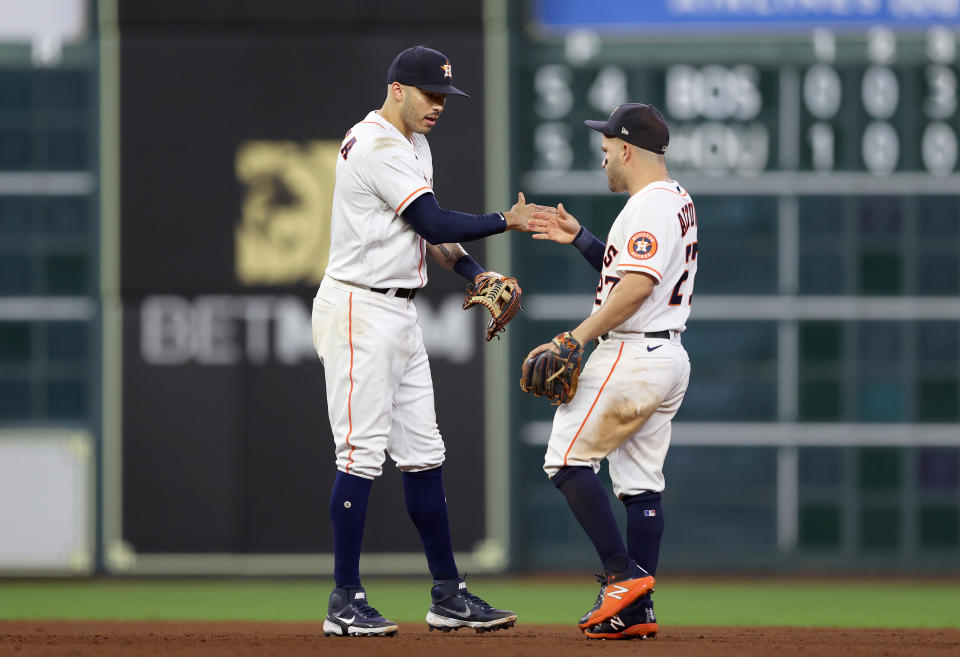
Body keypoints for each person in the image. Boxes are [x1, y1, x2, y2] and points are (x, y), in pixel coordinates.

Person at [313, 45, 535, 637]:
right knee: (359, 455)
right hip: (360, 306)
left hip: (398, 310)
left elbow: (426, 234)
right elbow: (435, 222)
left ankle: (447, 594)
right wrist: (504, 220)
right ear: (397, 91)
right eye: (429, 94)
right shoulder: (379, 143)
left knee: (424, 453)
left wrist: (474, 274)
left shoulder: (414, 143)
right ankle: (344, 599)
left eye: (444, 96)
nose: (439, 105)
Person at [525, 103, 698, 640]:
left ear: (627, 149)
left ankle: (622, 578)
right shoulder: (677, 200)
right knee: (640, 485)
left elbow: (637, 286)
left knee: (565, 459)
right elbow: (631, 273)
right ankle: (636, 610)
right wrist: (581, 238)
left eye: (606, 150)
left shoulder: (646, 207)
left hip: (633, 352)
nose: (603, 161)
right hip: (668, 357)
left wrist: (576, 336)